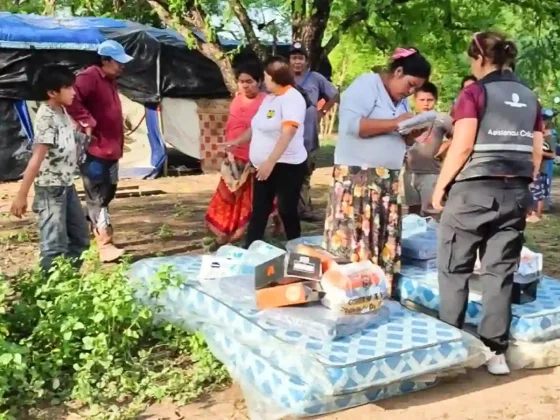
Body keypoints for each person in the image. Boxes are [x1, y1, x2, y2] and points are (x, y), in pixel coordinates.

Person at [432, 32, 544, 375]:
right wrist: (526, 187)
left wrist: (441, 186)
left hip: (473, 192)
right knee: (500, 272)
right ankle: (496, 353)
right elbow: (536, 151)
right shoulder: (530, 97)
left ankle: (452, 351)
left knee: (454, 269)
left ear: (479, 58)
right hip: (515, 192)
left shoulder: (474, 92)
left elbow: (463, 144)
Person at [323, 48, 431, 296]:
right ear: (398, 71)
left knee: (380, 241)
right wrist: (398, 123)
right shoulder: (366, 85)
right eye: (410, 84)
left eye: (416, 89)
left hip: (386, 183)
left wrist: (411, 134)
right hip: (359, 181)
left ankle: (377, 293)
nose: (411, 92)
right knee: (355, 240)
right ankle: (350, 294)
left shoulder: (400, 100)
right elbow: (353, 127)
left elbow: (398, 137)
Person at [10, 65, 90, 273]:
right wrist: (21, 195)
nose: (73, 92)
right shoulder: (46, 118)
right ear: (53, 92)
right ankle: (49, 294)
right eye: (68, 88)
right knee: (54, 246)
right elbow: (36, 159)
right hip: (50, 190)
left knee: (80, 240)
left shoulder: (62, 111)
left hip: (66, 186)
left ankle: (67, 284)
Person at [228, 56, 308, 248]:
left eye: (266, 77)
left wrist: (270, 162)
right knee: (260, 210)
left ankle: (296, 247)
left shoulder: (292, 98)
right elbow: (257, 126)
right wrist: (236, 141)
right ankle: (251, 249)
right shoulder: (270, 99)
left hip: (287, 165)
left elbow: (288, 133)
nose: (264, 81)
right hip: (263, 166)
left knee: (286, 209)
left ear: (275, 78)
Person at [66, 40, 133, 263]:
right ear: (105, 60)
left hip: (111, 149)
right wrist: (86, 120)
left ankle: (90, 228)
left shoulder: (110, 80)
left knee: (108, 191)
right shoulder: (89, 77)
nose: (122, 66)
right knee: (97, 195)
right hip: (94, 148)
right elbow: (71, 98)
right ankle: (105, 242)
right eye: (118, 62)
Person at [205, 63, 282, 247]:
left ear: (259, 82)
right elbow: (231, 126)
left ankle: (244, 236)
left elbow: (267, 130)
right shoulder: (237, 99)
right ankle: (224, 233)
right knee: (226, 195)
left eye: (249, 82)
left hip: (253, 159)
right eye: (241, 82)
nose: (245, 86)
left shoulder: (267, 102)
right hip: (233, 157)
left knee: (250, 200)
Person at [289, 42, 339, 221]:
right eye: (294, 58)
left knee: (305, 174)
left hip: (308, 135)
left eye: (300, 58)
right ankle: (285, 211)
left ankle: (304, 209)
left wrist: (322, 111)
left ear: (306, 61)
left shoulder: (316, 78)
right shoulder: (283, 78)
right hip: (287, 137)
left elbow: (334, 94)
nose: (297, 62)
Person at [403, 82, 453, 218]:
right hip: (409, 173)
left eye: (429, 100)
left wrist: (446, 145)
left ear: (435, 100)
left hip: (432, 174)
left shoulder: (442, 119)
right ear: (415, 100)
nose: (426, 104)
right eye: (422, 100)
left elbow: (460, 136)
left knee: (432, 213)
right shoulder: (408, 120)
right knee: (412, 214)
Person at [528, 113, 557, 222]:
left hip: (543, 168)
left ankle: (538, 214)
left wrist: (540, 152)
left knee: (539, 192)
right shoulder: (538, 137)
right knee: (533, 191)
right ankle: (532, 213)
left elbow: (553, 155)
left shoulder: (550, 138)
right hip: (535, 167)